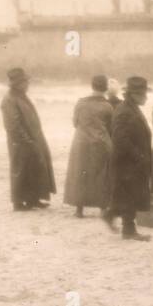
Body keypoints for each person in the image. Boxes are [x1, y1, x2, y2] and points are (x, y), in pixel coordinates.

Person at [0, 67, 55, 211]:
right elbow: (13, 125)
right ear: (18, 83)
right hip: (19, 141)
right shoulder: (9, 99)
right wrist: (27, 140)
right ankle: (18, 203)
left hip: (31, 138)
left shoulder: (20, 96)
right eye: (25, 82)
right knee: (20, 169)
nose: (28, 84)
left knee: (33, 167)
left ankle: (32, 199)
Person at [108, 76, 153, 241]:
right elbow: (120, 139)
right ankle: (127, 229)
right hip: (127, 162)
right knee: (130, 194)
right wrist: (139, 156)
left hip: (131, 161)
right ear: (133, 94)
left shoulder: (130, 107)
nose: (146, 97)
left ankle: (115, 218)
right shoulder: (124, 111)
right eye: (143, 94)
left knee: (128, 194)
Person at [63, 74, 114, 219]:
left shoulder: (80, 103)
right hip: (101, 142)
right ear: (105, 88)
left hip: (81, 143)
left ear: (92, 86)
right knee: (102, 175)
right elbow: (110, 127)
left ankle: (79, 210)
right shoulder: (107, 106)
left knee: (81, 174)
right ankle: (103, 208)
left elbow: (75, 123)